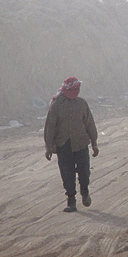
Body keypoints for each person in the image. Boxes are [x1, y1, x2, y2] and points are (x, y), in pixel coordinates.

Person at [44, 77, 99, 212]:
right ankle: (71, 201)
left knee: (84, 172)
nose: (76, 92)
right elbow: (50, 127)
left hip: (81, 144)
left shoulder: (82, 104)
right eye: (73, 89)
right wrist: (49, 147)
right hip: (64, 145)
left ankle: (85, 193)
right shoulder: (56, 105)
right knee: (67, 174)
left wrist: (94, 143)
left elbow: (90, 124)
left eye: (77, 89)